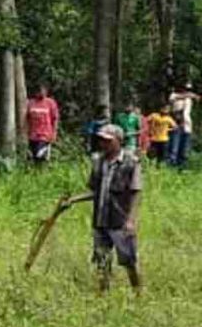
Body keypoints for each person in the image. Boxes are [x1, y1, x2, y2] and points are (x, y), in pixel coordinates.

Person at [61, 124, 142, 294]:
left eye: (108, 141)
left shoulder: (130, 162)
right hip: (100, 220)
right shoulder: (98, 162)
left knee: (128, 260)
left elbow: (136, 192)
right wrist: (73, 200)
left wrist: (131, 220)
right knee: (102, 261)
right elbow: (94, 191)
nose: (103, 144)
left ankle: (138, 292)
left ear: (118, 141)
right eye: (102, 140)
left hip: (120, 221)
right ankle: (103, 294)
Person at [26, 84, 60, 165]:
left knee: (40, 155)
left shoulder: (50, 103)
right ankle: (38, 174)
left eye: (43, 91)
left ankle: (43, 170)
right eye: (39, 91)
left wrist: (54, 133)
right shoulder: (30, 103)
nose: (41, 93)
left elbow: (55, 119)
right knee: (34, 156)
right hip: (33, 135)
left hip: (45, 135)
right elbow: (27, 118)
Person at [168, 83, 200, 168]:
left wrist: (193, 96)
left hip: (187, 125)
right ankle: (172, 165)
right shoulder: (174, 95)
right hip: (176, 125)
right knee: (174, 147)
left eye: (189, 89)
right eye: (186, 89)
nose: (187, 91)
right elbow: (173, 98)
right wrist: (191, 95)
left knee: (185, 148)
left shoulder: (189, 98)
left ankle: (183, 166)